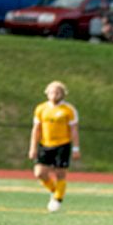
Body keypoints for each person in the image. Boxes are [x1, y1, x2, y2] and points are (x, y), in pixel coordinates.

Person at [28, 81, 81, 213]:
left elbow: (74, 129)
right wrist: (33, 147)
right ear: (47, 93)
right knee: (39, 173)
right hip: (45, 144)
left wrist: (76, 148)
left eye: (58, 92)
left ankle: (57, 199)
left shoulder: (68, 110)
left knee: (60, 174)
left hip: (62, 145)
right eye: (52, 91)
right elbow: (36, 129)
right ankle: (54, 190)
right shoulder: (41, 108)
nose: (54, 94)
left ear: (63, 94)